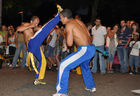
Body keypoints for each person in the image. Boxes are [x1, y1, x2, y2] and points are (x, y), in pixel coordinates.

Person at [53, 9, 96, 96]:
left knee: (63, 65)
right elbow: (88, 34)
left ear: (65, 18)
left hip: (84, 49)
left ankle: (62, 92)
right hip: (91, 48)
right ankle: (91, 86)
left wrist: (66, 34)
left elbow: (69, 44)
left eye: (61, 18)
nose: (60, 20)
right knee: (84, 67)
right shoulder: (77, 21)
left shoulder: (68, 25)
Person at [16, 5, 62, 85]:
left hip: (34, 46)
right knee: (45, 29)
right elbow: (18, 29)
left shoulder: (34, 27)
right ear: (31, 21)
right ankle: (59, 16)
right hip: (31, 43)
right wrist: (31, 25)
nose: (37, 23)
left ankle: (37, 79)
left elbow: (43, 28)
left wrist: (53, 26)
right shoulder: (27, 24)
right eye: (36, 22)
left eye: (38, 22)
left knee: (43, 61)